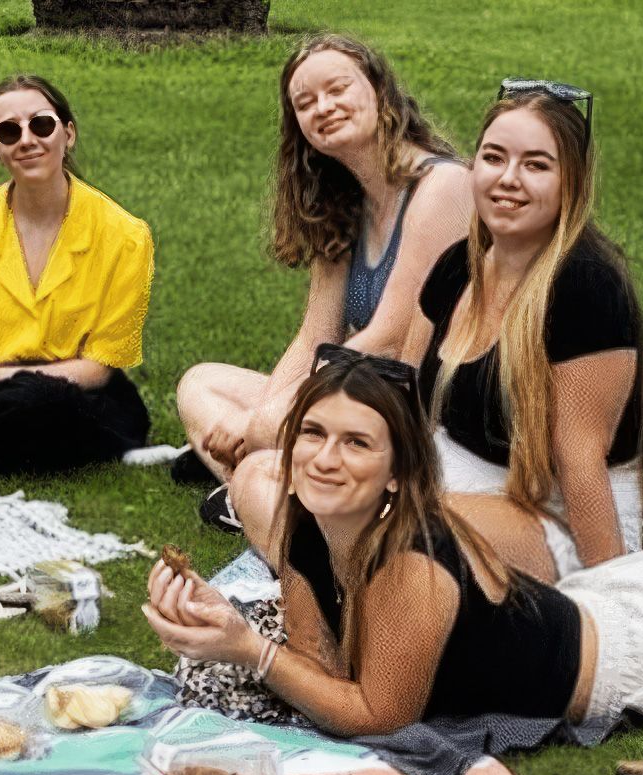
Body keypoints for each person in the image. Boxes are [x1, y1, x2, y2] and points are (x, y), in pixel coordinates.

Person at [143, 344, 643, 737]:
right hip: (598, 603)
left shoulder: (413, 560)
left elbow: (379, 716)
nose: (325, 459)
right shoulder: (309, 524)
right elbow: (322, 667)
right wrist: (223, 621)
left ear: (396, 473)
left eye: (356, 443)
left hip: (633, 656)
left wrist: (251, 649)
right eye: (313, 433)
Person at [174, 32, 472, 488]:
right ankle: (257, 482)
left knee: (268, 428)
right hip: (362, 391)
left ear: (379, 92)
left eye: (338, 89)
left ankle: (254, 483)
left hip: (424, 404)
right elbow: (317, 335)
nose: (323, 107)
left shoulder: (441, 187)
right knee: (200, 385)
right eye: (305, 102)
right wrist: (263, 416)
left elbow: (392, 338)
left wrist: (263, 423)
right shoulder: (345, 205)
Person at [407, 81, 643, 581]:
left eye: (536, 165)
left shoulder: (585, 286)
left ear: (572, 182)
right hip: (454, 483)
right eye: (494, 158)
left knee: (398, 530)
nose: (508, 179)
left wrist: (613, 600)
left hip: (557, 517)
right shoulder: (459, 266)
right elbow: (404, 397)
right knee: (274, 482)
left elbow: (580, 464)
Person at [0, 75, 153, 478]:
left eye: (41, 124)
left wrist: (0, 378)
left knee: (39, 400)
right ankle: (60, 452)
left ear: (67, 133)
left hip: (81, 392)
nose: (26, 139)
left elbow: (99, 368)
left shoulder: (126, 235)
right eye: (8, 131)